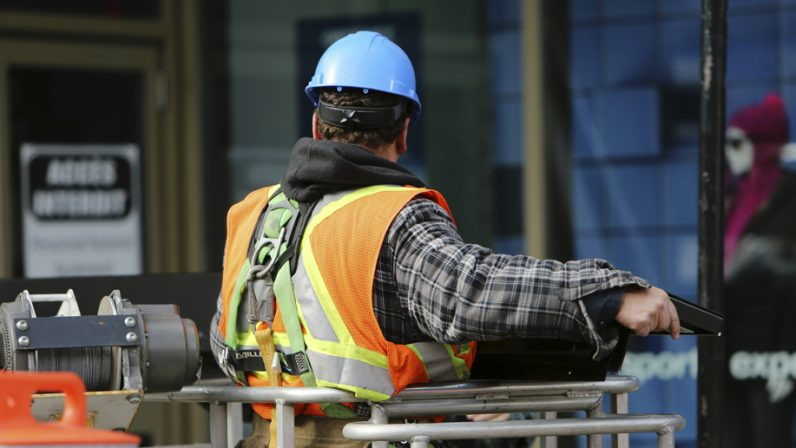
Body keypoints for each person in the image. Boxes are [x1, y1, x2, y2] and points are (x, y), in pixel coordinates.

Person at [210, 30, 680, 448]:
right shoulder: (392, 215)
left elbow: (225, 339)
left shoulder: (253, 214)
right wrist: (605, 294)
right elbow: (468, 292)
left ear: (316, 125)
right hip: (374, 437)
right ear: (405, 131)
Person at [723, 94, 796, 448]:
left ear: (761, 145)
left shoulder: (790, 200)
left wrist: (787, 358)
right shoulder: (732, 201)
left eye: (737, 142)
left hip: (774, 356)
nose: (729, 152)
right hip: (731, 353)